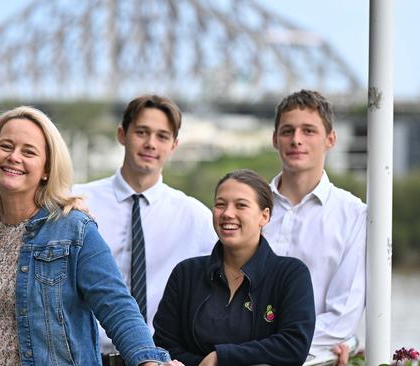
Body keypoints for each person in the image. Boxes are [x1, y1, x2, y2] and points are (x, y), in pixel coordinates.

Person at [0, 106, 182, 366]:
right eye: (6, 146)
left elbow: (117, 305)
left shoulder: (74, 228)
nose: (14, 157)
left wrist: (148, 362)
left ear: (46, 170)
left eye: (29, 152)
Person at [72, 95, 217, 365]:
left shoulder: (196, 217)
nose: (151, 143)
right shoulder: (77, 201)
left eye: (162, 136)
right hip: (86, 357)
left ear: (174, 146)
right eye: (142, 132)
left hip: (162, 360)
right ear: (121, 134)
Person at [153, 169, 315, 366]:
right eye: (220, 205)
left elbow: (293, 346)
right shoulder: (186, 273)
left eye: (241, 205)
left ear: (264, 216)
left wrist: (221, 357)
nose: (228, 214)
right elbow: (164, 344)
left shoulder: (290, 274)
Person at [262, 89, 367, 366]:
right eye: (287, 131)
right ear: (275, 139)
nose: (296, 139)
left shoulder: (355, 215)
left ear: (330, 139)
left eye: (308, 130)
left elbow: (341, 318)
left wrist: (263, 349)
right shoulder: (248, 206)